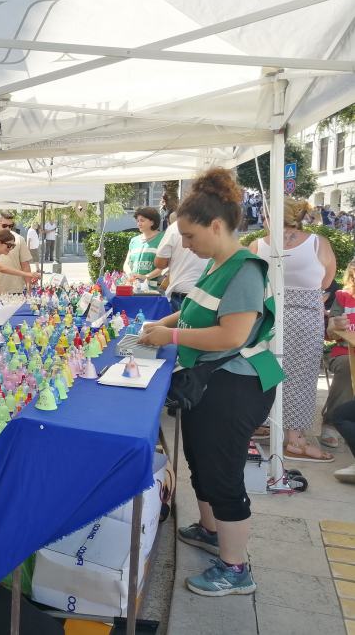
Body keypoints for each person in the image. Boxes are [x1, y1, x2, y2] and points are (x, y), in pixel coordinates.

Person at [139, 167, 284, 597]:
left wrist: (172, 336)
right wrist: (158, 326)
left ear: (216, 226)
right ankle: (209, 528)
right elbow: (193, 313)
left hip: (236, 386)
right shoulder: (217, 264)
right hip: (212, 382)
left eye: (189, 235)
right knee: (201, 459)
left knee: (221, 472)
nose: (185, 244)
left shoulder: (245, 270)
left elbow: (233, 334)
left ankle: (236, 568)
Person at [249, 197, 336, 462]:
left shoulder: (256, 245)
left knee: (264, 372)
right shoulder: (317, 243)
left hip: (266, 316)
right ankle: (294, 439)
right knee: (301, 377)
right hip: (304, 318)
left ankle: (260, 421)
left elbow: (251, 281)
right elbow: (327, 279)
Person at [320, 261, 355, 451]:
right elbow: (330, 332)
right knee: (348, 365)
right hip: (344, 351)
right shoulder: (343, 297)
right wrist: (335, 324)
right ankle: (332, 421)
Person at [154, 219, 208, 312]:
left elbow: (160, 263)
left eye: (190, 236)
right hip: (205, 293)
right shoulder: (220, 225)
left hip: (183, 292)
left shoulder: (175, 227)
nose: (185, 244)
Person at [0, 211, 34, 293]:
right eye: (4, 226)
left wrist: (29, 290)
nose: (8, 229)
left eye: (11, 226)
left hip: (15, 290)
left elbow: (25, 266)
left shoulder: (19, 239)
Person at [124, 206, 165, 284]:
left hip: (156, 289)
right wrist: (130, 274)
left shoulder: (163, 239)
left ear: (152, 222)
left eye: (142, 221)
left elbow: (164, 266)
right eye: (137, 221)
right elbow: (126, 263)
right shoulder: (134, 241)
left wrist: (145, 277)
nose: (139, 223)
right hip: (134, 287)